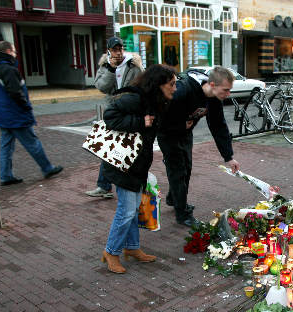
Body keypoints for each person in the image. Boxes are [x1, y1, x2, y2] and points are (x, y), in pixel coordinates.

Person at [100, 64, 177, 274]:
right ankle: (111, 252)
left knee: (133, 210)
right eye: (171, 84)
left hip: (137, 164)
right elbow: (110, 116)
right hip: (122, 164)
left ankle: (132, 248)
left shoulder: (157, 102)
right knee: (126, 211)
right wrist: (139, 121)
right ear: (158, 84)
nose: (174, 88)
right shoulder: (136, 99)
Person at [158, 66, 240, 227]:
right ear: (212, 84)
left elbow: (218, 126)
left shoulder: (214, 100)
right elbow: (160, 114)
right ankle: (183, 215)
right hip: (167, 134)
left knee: (186, 168)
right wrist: (180, 125)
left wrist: (228, 157)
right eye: (226, 90)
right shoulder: (183, 90)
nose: (228, 94)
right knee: (178, 170)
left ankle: (174, 199)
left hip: (185, 133)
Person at [0, 41, 63, 185]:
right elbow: (15, 92)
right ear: (8, 51)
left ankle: (6, 175)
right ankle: (47, 168)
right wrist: (26, 106)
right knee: (32, 142)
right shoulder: (8, 69)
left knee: (6, 147)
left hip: (3, 115)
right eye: (14, 51)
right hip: (16, 115)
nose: (15, 54)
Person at [86, 37, 143, 199]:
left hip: (130, 110)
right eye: (115, 49)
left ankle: (132, 181)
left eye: (120, 49)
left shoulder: (133, 65)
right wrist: (111, 69)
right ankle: (104, 185)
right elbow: (102, 87)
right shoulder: (105, 66)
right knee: (108, 147)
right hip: (114, 112)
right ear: (109, 51)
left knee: (131, 147)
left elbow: (142, 83)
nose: (118, 52)